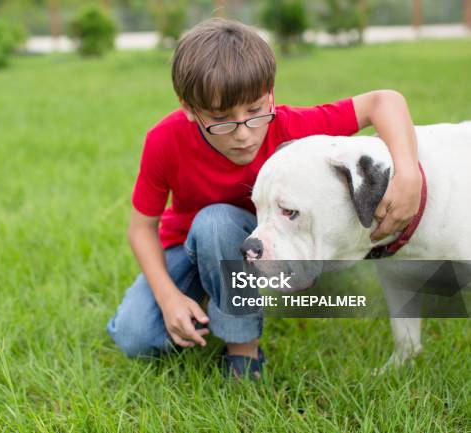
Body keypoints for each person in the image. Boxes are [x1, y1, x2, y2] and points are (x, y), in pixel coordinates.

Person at [106, 18, 422, 379]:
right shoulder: (164, 140)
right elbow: (141, 229)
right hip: (189, 244)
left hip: (260, 244)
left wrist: (408, 174)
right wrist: (167, 298)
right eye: (221, 119)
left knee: (218, 221)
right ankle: (212, 291)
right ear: (189, 109)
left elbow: (385, 101)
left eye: (255, 111)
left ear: (270, 93)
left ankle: (243, 352)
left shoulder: (291, 127)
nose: (243, 134)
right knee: (137, 339)